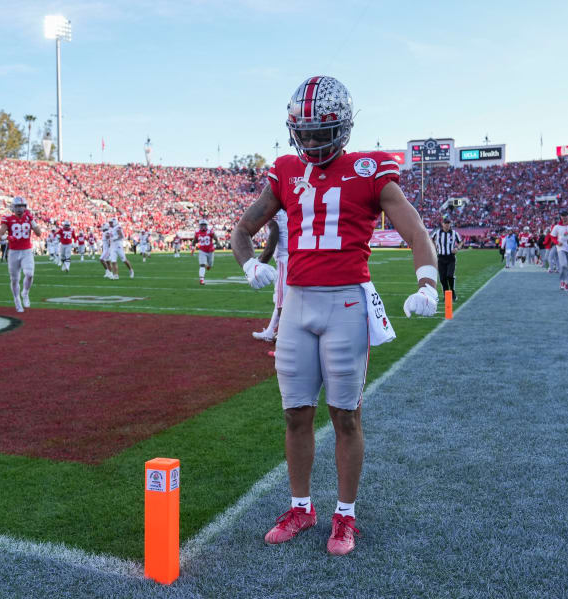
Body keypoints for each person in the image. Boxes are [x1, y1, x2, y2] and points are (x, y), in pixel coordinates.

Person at [231, 75, 438, 556]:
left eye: (317, 132)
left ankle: (345, 516)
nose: (308, 141)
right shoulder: (284, 170)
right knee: (294, 412)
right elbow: (243, 229)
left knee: (345, 415)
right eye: (301, 132)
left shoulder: (370, 170)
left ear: (342, 128)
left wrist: (428, 284)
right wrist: (248, 266)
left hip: (346, 301)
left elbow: (417, 233)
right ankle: (301, 507)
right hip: (299, 302)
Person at [0, 196, 42, 313]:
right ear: (13, 207)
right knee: (15, 279)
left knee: (29, 274)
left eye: (22, 206)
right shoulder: (8, 219)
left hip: (27, 251)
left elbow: (39, 233)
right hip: (14, 252)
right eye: (17, 206)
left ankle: (25, 293)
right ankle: (17, 300)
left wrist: (32, 221)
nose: (20, 209)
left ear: (25, 207)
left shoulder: (29, 218)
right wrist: (8, 237)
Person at [252, 209, 289, 342]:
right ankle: (269, 331)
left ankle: (285, 338)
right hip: (295, 257)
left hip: (285, 260)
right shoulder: (287, 211)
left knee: (281, 303)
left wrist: (259, 263)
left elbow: (273, 240)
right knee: (282, 299)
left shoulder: (274, 213)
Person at [431, 215, 463, 300]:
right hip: (441, 258)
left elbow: (460, 242)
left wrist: (457, 248)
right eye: (445, 223)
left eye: (448, 223)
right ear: (442, 224)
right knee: (442, 278)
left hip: (450, 258)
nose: (447, 225)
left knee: (449, 275)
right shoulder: (437, 233)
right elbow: (431, 239)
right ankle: (446, 295)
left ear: (450, 224)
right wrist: (434, 247)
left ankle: (452, 292)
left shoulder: (454, 233)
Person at [193, 219, 219, 284]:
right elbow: (194, 240)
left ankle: (208, 266)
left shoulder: (210, 231)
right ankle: (201, 279)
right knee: (202, 265)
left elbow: (216, 238)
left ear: (206, 225)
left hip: (210, 251)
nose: (203, 227)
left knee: (210, 264)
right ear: (199, 226)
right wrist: (193, 246)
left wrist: (217, 243)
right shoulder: (197, 232)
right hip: (202, 251)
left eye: (204, 225)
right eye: (202, 225)